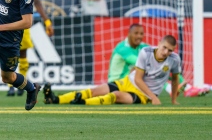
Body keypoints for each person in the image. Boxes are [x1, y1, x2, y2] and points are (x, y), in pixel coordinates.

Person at [43, 35, 181, 106]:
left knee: (116, 96)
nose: (166, 52)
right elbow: (138, 78)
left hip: (143, 95)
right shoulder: (146, 52)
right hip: (129, 82)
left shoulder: (174, 59)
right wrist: (155, 97)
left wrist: (173, 99)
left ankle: (83, 102)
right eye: (164, 47)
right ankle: (55, 99)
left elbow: (175, 79)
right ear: (159, 43)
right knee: (94, 91)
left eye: (170, 50)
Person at [0, 0, 53, 96]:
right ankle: (10, 85)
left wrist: (47, 21)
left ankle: (21, 84)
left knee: (23, 52)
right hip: (5, 22)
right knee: (7, 52)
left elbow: (36, 2)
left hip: (22, 22)